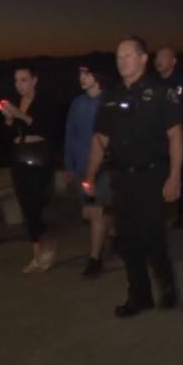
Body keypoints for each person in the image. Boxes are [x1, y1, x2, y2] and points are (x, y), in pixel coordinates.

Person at [84, 36, 183, 318]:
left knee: (152, 235)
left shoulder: (161, 92)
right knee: (128, 240)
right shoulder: (112, 97)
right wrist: (89, 175)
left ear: (143, 59)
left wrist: (175, 176)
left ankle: (167, 287)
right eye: (118, 57)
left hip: (153, 175)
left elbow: (175, 135)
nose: (122, 61)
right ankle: (138, 296)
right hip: (122, 178)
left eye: (128, 55)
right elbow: (99, 139)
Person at [0, 64, 59, 273]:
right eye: (16, 80)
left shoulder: (43, 101)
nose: (19, 85)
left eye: (23, 80)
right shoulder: (17, 103)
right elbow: (9, 135)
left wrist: (20, 115)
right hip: (19, 153)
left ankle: (48, 245)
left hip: (38, 152)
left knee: (37, 201)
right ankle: (36, 255)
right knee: (25, 203)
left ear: (34, 81)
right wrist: (8, 119)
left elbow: (47, 127)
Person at [64, 63, 111, 278]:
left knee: (96, 211)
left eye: (87, 74)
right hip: (81, 165)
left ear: (98, 76)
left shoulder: (109, 101)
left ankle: (94, 258)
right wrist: (69, 165)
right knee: (89, 212)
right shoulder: (78, 102)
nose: (82, 78)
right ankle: (116, 236)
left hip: (104, 166)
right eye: (80, 74)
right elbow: (70, 135)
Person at [154, 47, 183, 229]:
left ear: (173, 61)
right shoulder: (152, 83)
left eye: (163, 57)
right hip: (158, 141)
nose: (158, 60)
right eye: (157, 57)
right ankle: (159, 216)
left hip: (179, 138)